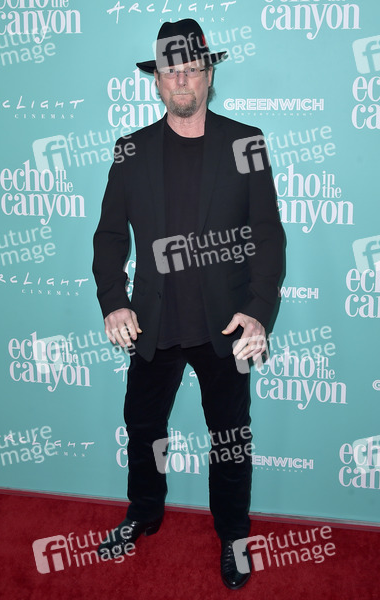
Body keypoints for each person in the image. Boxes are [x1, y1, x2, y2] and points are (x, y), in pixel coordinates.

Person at [92, 18, 284, 590]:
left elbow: (267, 235)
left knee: (230, 438)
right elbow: (109, 236)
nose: (181, 80)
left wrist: (259, 311)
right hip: (152, 323)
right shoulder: (131, 150)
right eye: (170, 70)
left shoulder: (245, 142)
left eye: (192, 69)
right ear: (156, 80)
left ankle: (233, 534)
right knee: (143, 427)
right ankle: (144, 512)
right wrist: (114, 301)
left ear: (208, 75)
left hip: (226, 324)